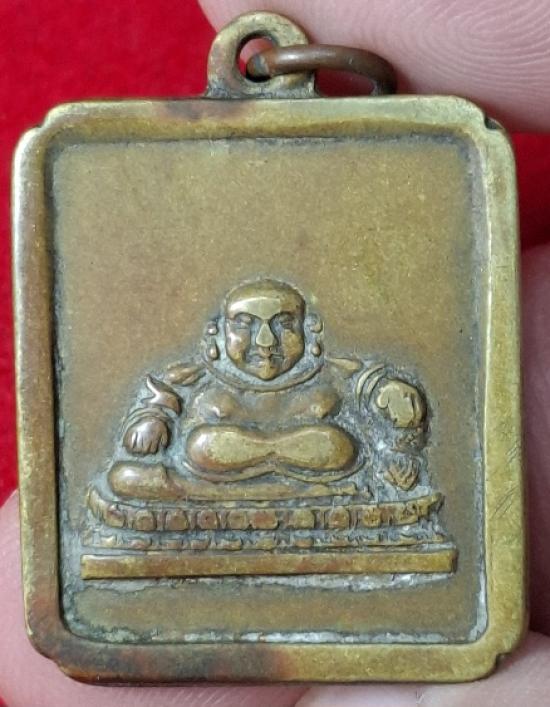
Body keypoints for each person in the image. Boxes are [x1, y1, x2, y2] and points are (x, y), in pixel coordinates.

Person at [1, 1, 550, 704]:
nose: (264, 345)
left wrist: (391, 398)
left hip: (320, 484)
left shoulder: (327, 371)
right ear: (218, 335)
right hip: (208, 490)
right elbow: (160, 400)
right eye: (247, 328)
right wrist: (155, 424)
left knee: (332, 446)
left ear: (306, 331)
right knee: (150, 474)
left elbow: (372, 381)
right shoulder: (195, 373)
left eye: (280, 326)